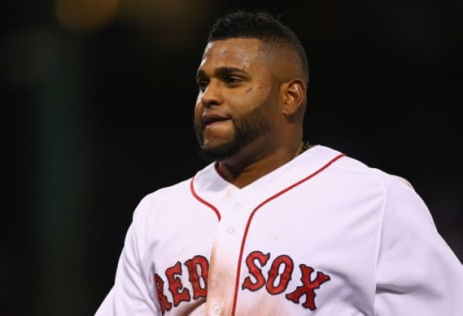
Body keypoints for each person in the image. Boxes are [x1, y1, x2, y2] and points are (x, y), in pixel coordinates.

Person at [95, 9, 463, 316]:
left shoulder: (373, 200)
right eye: (203, 83)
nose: (209, 97)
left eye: (232, 80)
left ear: (290, 97)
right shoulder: (158, 213)